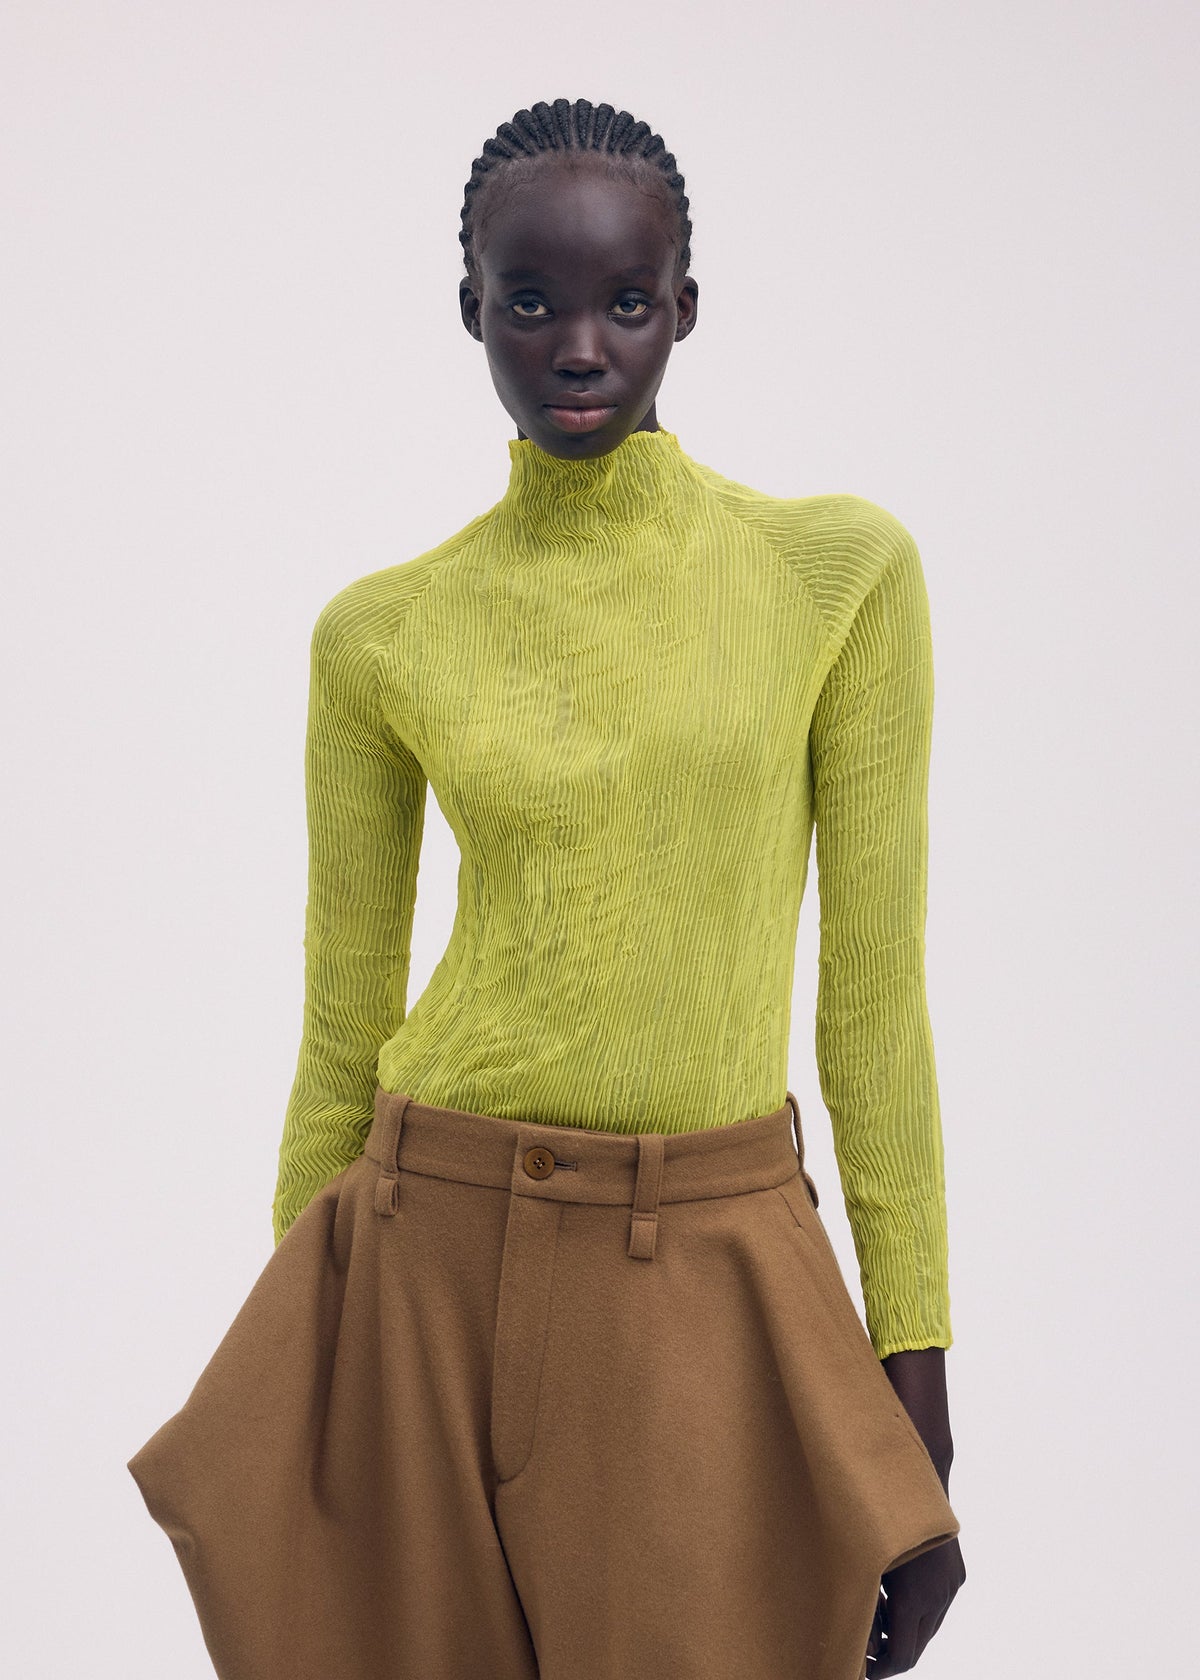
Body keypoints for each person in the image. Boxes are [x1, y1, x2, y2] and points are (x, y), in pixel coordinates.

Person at [128, 97, 965, 1680]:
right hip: (417, 1257)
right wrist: (298, 1365)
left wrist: (912, 1382)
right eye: (532, 303)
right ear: (472, 313)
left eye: (625, 303)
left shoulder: (835, 578)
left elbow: (873, 1013)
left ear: (686, 309)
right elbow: (341, 1025)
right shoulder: (382, 633)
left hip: (704, 1265)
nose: (579, 346)